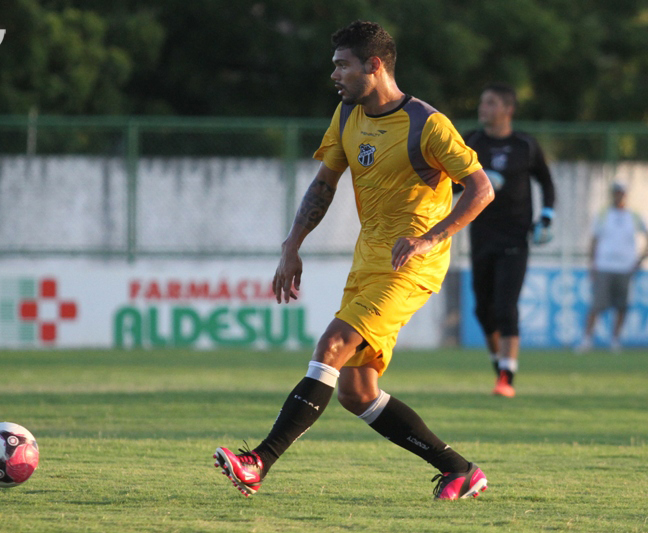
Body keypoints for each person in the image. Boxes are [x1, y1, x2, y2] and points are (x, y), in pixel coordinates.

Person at [212, 20, 494, 501]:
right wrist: (291, 245)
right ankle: (459, 470)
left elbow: (482, 189)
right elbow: (324, 185)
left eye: (343, 65)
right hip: (368, 262)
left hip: (412, 267)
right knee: (356, 392)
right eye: (335, 66)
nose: (335, 75)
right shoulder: (346, 116)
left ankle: (259, 461)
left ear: (375, 65)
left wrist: (431, 238)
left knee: (333, 344)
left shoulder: (428, 125)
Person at [462, 82, 555, 398]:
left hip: (516, 236)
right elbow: (448, 183)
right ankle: (499, 367)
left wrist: (546, 217)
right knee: (482, 311)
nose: (482, 108)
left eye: (489, 103)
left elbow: (546, 182)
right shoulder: (471, 142)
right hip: (481, 235)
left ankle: (507, 376)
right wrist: (480, 178)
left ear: (507, 109)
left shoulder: (525, 145)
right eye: (482, 103)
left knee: (505, 307)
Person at [577, 182, 648, 353]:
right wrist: (592, 264)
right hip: (604, 266)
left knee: (622, 306)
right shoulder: (602, 214)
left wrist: (640, 260)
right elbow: (594, 241)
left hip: (625, 268)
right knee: (597, 305)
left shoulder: (635, 215)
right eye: (616, 193)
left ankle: (615, 340)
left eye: (622, 193)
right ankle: (587, 339)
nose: (619, 196)